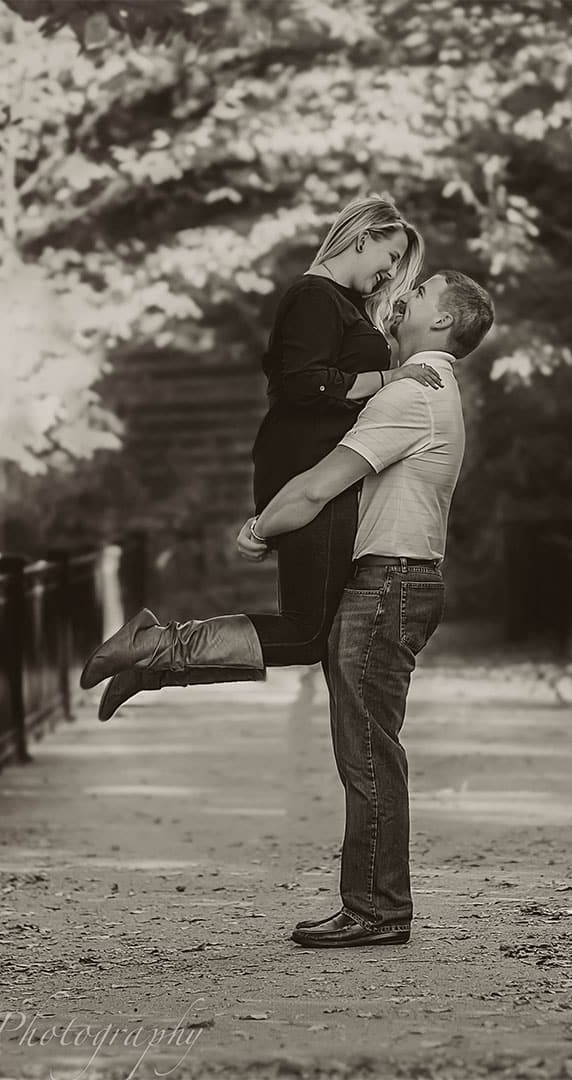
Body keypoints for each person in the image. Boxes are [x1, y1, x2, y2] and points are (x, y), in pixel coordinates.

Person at [81, 269, 495, 949]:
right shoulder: (423, 388)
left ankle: (379, 911)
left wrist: (260, 525)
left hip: (390, 584)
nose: (405, 294)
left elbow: (323, 481)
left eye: (420, 293)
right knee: (354, 730)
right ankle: (153, 656)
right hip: (393, 580)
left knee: (367, 758)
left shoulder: (414, 393)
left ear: (445, 321)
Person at [80, 195, 435, 714]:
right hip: (313, 475)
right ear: (363, 238)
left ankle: (153, 665)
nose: (391, 271)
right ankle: (155, 645)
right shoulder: (316, 296)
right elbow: (303, 385)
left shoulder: (340, 303)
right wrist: (390, 376)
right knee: (307, 631)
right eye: (391, 256)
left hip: (313, 470)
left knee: (310, 630)